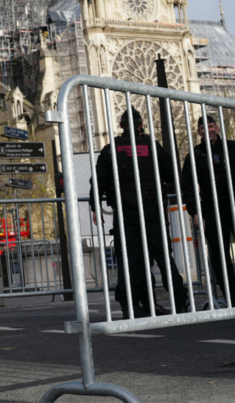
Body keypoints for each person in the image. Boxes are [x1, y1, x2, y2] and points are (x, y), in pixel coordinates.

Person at [92, 109, 187, 318]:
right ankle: (180, 303)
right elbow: (172, 172)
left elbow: (97, 181)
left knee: (130, 260)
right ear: (141, 124)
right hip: (153, 210)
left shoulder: (111, 149)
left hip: (126, 212)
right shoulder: (152, 146)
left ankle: (129, 307)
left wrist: (95, 206)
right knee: (163, 257)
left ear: (120, 125)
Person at [180, 115, 235, 307]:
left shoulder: (233, 147)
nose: (207, 130)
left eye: (210, 126)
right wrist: (195, 213)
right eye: (202, 127)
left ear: (217, 127)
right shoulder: (195, 155)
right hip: (212, 208)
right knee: (219, 255)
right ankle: (232, 299)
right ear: (198, 131)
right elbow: (188, 187)